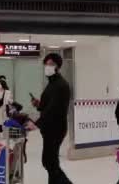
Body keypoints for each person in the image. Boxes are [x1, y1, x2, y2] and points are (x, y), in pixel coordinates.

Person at [31, 53, 72, 184]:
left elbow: (53, 109)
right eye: (46, 64)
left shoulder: (61, 85)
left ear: (57, 67)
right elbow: (48, 105)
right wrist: (39, 104)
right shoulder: (52, 83)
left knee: (49, 161)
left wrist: (36, 123)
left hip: (56, 128)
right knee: (50, 161)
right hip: (49, 128)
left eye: (51, 64)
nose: (47, 67)